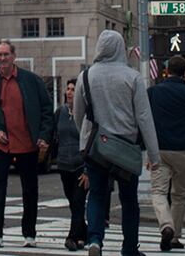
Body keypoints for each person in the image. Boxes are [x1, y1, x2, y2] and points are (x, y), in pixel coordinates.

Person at [74, 30, 160, 256]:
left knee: (97, 195)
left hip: (96, 149)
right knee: (129, 199)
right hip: (125, 148)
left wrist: (86, 139)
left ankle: (94, 240)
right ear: (121, 48)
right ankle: (129, 248)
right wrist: (153, 154)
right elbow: (144, 117)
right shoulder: (132, 77)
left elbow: (78, 115)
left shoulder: (86, 76)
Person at [0, 40, 53, 248]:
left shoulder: (31, 81)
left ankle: (29, 235)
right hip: (1, 144)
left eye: (5, 55)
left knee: (30, 189)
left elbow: (47, 109)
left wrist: (44, 135)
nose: (2, 58)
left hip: (27, 143)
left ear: (14, 56)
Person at [147, 55, 185, 251]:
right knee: (180, 194)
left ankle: (166, 225)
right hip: (182, 149)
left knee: (158, 191)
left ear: (167, 71)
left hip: (159, 148)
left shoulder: (154, 92)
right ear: (184, 73)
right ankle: (175, 236)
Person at [49, 79, 87, 252]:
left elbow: (90, 141)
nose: (70, 92)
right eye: (68, 89)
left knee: (78, 201)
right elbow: (52, 134)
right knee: (73, 203)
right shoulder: (60, 112)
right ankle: (83, 233)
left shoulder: (86, 114)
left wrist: (88, 169)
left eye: (73, 89)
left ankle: (71, 237)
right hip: (64, 165)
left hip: (81, 165)